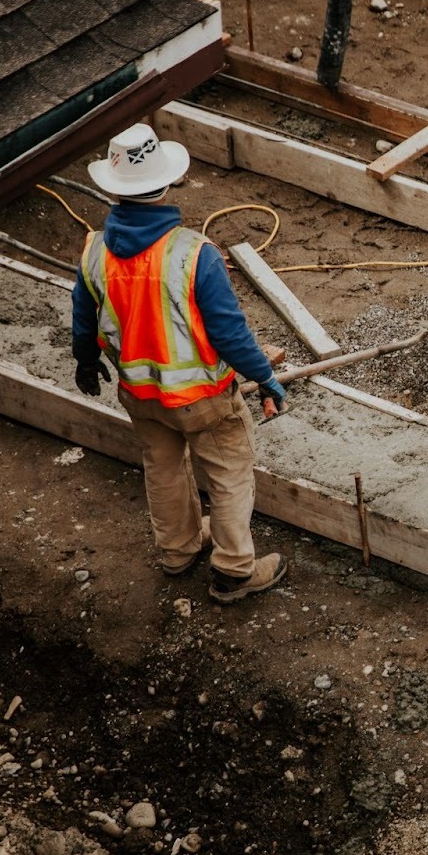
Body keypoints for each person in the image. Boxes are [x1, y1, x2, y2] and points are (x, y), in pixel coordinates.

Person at [71, 123, 290, 604]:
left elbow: (83, 320)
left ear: (112, 187)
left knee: (163, 467)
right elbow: (230, 334)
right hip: (203, 399)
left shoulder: (93, 251)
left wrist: (86, 363)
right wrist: (266, 377)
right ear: (167, 183)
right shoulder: (194, 254)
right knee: (230, 474)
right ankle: (234, 571)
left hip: (140, 396)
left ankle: (178, 550)